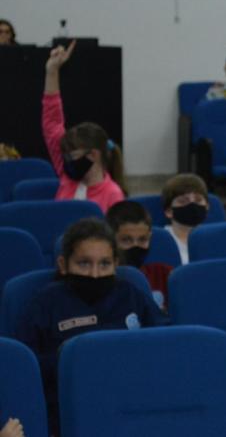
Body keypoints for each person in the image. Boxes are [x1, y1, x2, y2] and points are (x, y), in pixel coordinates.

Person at [15, 218, 167, 434]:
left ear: (116, 264)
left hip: (133, 401)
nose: (95, 274)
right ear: (63, 264)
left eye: (104, 264)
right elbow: (25, 366)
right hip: (67, 407)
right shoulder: (45, 303)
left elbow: (165, 342)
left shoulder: (130, 294)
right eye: (84, 263)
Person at [42, 41, 127, 212]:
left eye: (72, 156)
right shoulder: (68, 176)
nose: (66, 161)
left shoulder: (113, 195)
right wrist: (52, 71)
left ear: (93, 155)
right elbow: (52, 123)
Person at [106, 200, 172, 309]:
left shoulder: (164, 275)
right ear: (110, 241)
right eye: (126, 240)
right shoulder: (102, 281)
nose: (135, 246)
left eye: (142, 240)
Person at [160, 173, 210, 265]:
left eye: (198, 200)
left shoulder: (214, 238)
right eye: (183, 201)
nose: (192, 205)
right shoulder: (160, 240)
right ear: (169, 211)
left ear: (207, 206)